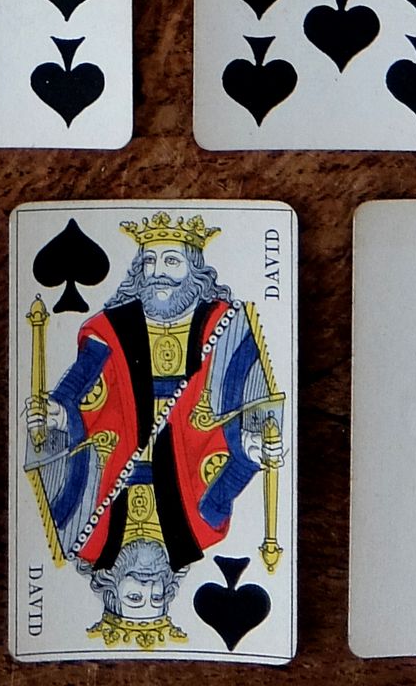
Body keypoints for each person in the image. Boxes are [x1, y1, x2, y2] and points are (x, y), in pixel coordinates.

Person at [23, 213, 282, 649]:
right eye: (150, 261)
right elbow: (80, 382)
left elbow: (249, 397)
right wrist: (253, 451)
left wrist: (59, 416)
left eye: (171, 261)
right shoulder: (201, 532)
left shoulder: (88, 536)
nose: (159, 272)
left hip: (138, 458)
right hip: (154, 456)